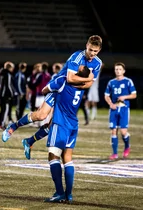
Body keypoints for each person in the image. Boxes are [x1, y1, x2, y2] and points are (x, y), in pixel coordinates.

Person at [2, 35, 102, 159]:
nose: (92, 53)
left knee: (53, 125)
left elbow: (90, 84)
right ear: (87, 45)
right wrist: (87, 79)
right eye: (90, 50)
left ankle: (29, 142)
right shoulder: (77, 57)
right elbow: (70, 79)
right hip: (59, 89)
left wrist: (84, 82)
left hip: (71, 95)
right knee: (41, 115)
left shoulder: (98, 63)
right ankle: (12, 127)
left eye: (95, 51)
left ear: (99, 51)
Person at [43, 65, 91, 203]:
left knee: (53, 155)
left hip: (60, 122)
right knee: (67, 157)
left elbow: (44, 90)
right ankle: (69, 194)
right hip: (73, 123)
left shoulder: (64, 80)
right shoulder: (82, 85)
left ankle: (59, 192)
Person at [104, 62, 137, 160]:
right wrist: (111, 104)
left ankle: (127, 146)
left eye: (119, 69)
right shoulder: (111, 82)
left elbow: (134, 95)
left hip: (124, 109)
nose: (118, 71)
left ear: (123, 71)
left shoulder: (128, 81)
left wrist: (125, 96)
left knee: (123, 132)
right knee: (113, 131)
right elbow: (106, 95)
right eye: (116, 69)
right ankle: (115, 153)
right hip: (113, 109)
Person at [0, 61, 15, 129]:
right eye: (12, 67)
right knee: (5, 110)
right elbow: (9, 86)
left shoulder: (0, 73)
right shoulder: (8, 74)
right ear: (9, 68)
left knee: (3, 109)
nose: (13, 69)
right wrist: (12, 94)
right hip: (5, 94)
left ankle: (0, 121)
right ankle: (1, 124)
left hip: (0, 94)